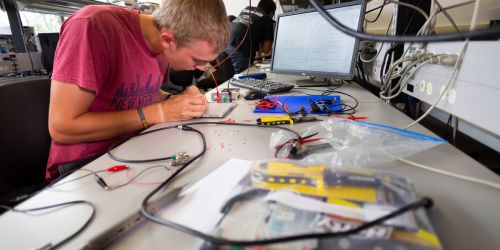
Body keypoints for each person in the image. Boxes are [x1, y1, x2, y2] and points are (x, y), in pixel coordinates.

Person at [46, 0, 230, 181]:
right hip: (86, 163)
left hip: (137, 144)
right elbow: (62, 128)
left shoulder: (163, 45)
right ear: (168, 40)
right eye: (197, 60)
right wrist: (159, 113)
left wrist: (175, 101)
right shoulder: (92, 26)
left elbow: (143, 92)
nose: (201, 69)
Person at [225, 0, 276, 73]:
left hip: (224, 42)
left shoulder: (247, 8)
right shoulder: (267, 19)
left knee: (228, 79)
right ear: (271, 12)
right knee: (244, 78)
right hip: (240, 47)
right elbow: (266, 49)